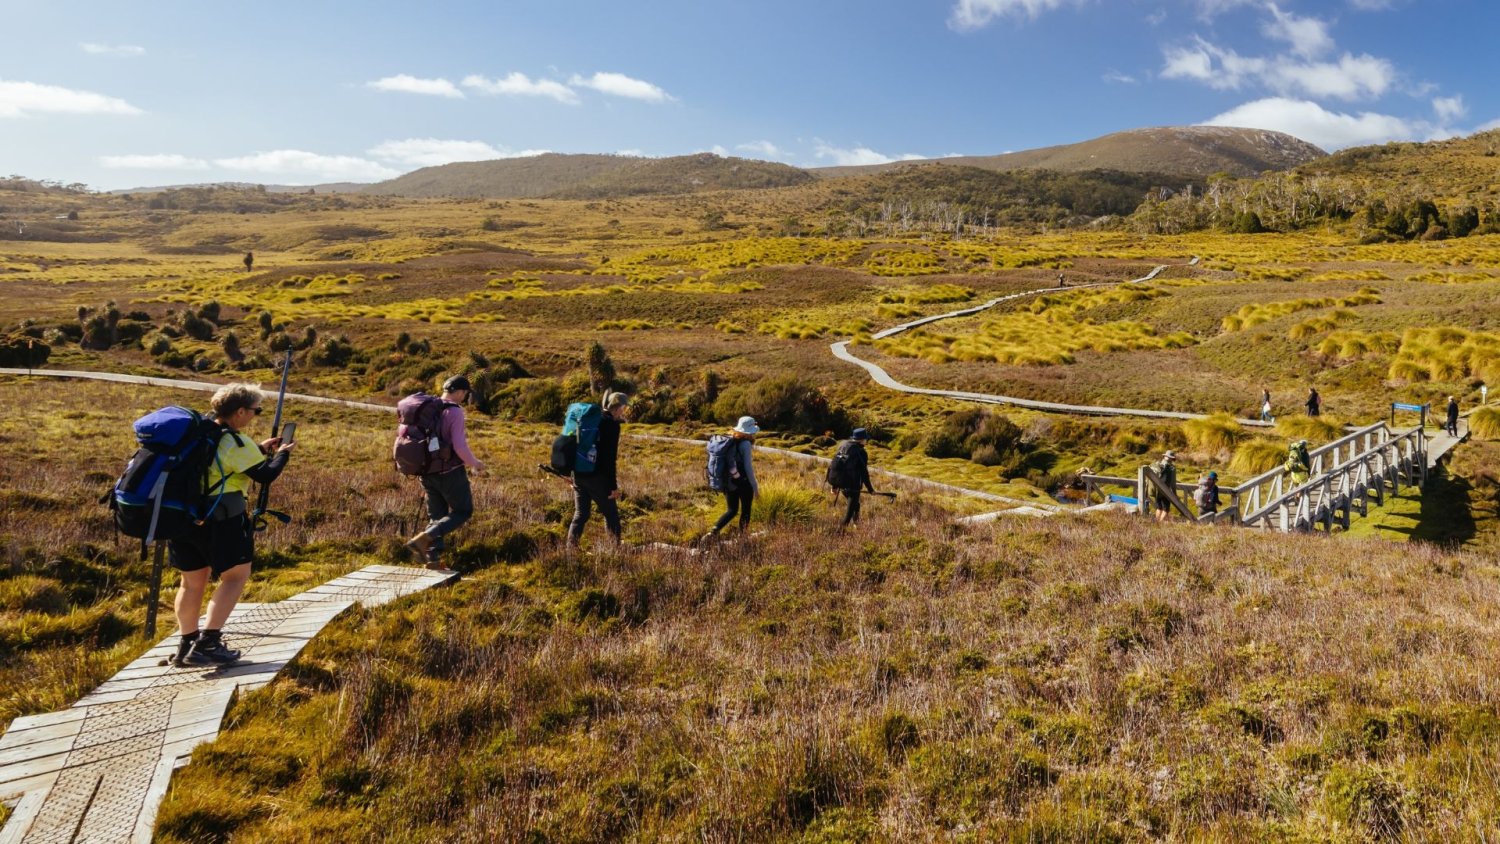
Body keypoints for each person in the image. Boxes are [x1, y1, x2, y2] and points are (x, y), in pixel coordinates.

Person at [169, 383, 293, 666]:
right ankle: (208, 644)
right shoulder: (235, 442)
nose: (255, 415)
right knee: (235, 576)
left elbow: (219, 463)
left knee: (190, 583)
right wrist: (283, 453)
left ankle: (186, 645)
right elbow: (265, 476)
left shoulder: (198, 434)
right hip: (220, 518)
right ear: (240, 411)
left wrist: (259, 448)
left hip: (182, 518)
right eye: (255, 410)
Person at [405, 375, 484, 570]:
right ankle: (426, 537)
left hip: (426, 472)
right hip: (449, 472)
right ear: (458, 391)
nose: (465, 397)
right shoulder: (454, 412)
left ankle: (433, 560)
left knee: (437, 515)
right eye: (465, 393)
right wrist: (475, 463)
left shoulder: (429, 409)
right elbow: (459, 445)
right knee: (463, 511)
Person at [567, 391, 629, 550]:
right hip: (598, 477)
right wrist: (613, 487)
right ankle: (614, 551)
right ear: (618, 407)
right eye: (624, 407)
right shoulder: (612, 425)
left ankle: (570, 551)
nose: (625, 410)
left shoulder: (590, 418)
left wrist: (571, 474)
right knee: (611, 515)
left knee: (580, 515)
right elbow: (609, 459)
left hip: (579, 474)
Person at [704, 416, 760, 541]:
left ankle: (713, 532)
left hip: (728, 481)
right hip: (742, 482)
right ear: (750, 431)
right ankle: (742, 538)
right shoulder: (745, 444)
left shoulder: (729, 440)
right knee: (746, 511)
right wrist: (755, 487)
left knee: (732, 510)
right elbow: (748, 467)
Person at [831, 428, 877, 527]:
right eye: (866, 439)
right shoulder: (861, 453)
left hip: (842, 484)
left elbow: (838, 465)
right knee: (848, 515)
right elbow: (864, 472)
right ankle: (839, 532)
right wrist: (870, 489)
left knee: (856, 506)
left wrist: (834, 485)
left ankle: (856, 524)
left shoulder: (844, 446)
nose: (867, 441)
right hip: (853, 486)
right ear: (861, 440)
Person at [1150, 450, 1178, 522]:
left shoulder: (1158, 464)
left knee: (1159, 508)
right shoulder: (1172, 468)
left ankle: (1156, 522)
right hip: (1165, 492)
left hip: (1157, 490)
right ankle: (1159, 524)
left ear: (1165, 456)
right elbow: (1172, 483)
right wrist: (1174, 494)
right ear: (1171, 458)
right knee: (1166, 509)